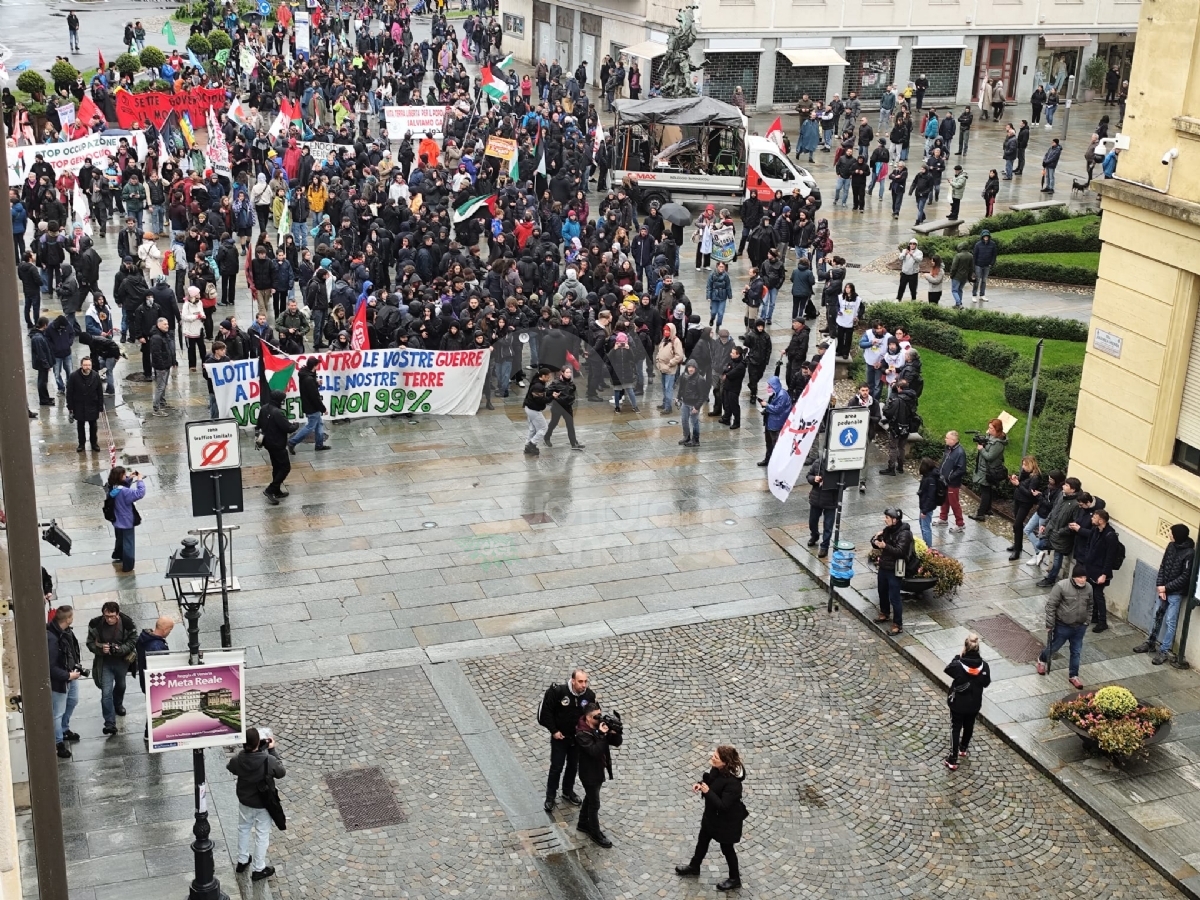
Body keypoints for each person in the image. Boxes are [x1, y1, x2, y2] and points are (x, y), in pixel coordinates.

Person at [674, 745, 746, 892]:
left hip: (727, 822)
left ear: (725, 762)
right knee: (702, 841)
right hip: (711, 817)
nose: (712, 758)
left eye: (716, 757)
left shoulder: (734, 784)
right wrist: (700, 785)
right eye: (714, 755)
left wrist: (707, 792)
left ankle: (735, 878)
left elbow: (724, 805)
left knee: (727, 849)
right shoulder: (716, 768)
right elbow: (710, 782)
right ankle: (695, 866)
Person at [227, 726, 285, 883]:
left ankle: (243, 860)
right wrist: (272, 750)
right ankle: (258, 869)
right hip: (263, 804)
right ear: (259, 743)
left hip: (245, 801)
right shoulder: (268, 760)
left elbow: (230, 767)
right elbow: (281, 772)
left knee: (243, 829)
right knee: (261, 834)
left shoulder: (238, 760)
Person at [1134, 524, 1195, 665]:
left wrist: (1165, 588)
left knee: (1170, 622)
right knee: (1156, 616)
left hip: (1175, 593)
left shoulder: (1189, 553)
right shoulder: (1171, 546)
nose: (1169, 535)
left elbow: (1185, 577)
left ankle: (1164, 650)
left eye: (1171, 533)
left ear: (1178, 535)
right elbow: (1163, 566)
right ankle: (1150, 642)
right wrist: (1160, 586)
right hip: (1163, 589)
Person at [538, 669, 596, 813]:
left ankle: (567, 791)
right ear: (573, 680)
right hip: (560, 738)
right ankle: (550, 796)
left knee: (572, 766)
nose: (584, 685)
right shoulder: (558, 692)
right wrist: (554, 731)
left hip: (576, 739)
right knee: (556, 766)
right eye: (581, 681)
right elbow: (545, 712)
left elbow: (592, 716)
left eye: (586, 681)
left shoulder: (589, 696)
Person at [1036, 565, 1093, 689]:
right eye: (1080, 577)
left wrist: (1087, 621)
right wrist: (1050, 624)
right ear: (1074, 577)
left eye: (1084, 577)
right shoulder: (1061, 586)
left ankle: (1074, 675)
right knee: (1054, 647)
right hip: (1063, 626)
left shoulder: (1089, 588)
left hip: (1080, 627)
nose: (1083, 580)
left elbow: (1090, 605)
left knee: (1076, 652)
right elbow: (1051, 606)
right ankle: (1042, 659)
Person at [86, 601, 137, 735]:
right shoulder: (96, 624)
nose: (109, 619)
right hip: (105, 662)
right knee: (106, 693)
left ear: (118, 614)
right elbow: (90, 643)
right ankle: (109, 723)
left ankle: (118, 704)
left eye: (112, 616)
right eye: (106, 616)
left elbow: (132, 641)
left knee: (121, 685)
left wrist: (120, 649)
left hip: (121, 661)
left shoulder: (127, 624)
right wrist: (100, 648)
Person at [575, 704, 622, 848]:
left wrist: (614, 732)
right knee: (594, 804)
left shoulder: (598, 727)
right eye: (596, 716)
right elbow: (594, 751)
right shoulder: (582, 733)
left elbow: (616, 743)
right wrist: (602, 735)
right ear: (589, 718)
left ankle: (583, 823)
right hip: (589, 773)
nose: (600, 718)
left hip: (599, 770)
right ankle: (595, 832)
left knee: (590, 797)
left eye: (600, 714)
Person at [943, 632, 991, 771]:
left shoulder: (958, 665)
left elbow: (948, 669)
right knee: (969, 725)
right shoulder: (984, 666)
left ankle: (952, 759)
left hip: (958, 704)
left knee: (955, 727)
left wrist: (959, 656)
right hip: (974, 703)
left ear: (965, 648)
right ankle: (963, 748)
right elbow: (986, 683)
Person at [1070, 507, 1121, 633]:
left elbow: (1109, 557)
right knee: (1092, 593)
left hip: (1101, 570)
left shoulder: (1110, 536)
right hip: (1091, 567)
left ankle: (1102, 622)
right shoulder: (1095, 530)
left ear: (1101, 520)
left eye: (1095, 517)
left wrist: (1104, 574)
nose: (1092, 518)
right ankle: (1094, 616)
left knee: (1098, 595)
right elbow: (1089, 545)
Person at [47, 605, 82, 759]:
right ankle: (58, 742)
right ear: (68, 619)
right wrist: (68, 676)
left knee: (73, 701)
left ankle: (64, 729)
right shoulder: (52, 639)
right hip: (61, 680)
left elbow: (72, 650)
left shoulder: (66, 631)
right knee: (57, 713)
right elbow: (51, 667)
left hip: (70, 673)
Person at [872, 507, 913, 635]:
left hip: (895, 568)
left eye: (887, 518)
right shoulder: (887, 530)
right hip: (884, 566)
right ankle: (884, 613)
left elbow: (900, 552)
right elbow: (876, 543)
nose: (885, 520)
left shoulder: (904, 534)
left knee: (894, 597)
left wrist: (885, 546)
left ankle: (897, 624)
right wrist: (875, 539)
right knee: (882, 591)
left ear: (894, 520)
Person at [257, 391, 298, 504]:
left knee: (276, 466)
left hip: (268, 443)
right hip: (277, 444)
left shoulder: (264, 408)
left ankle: (277, 490)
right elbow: (288, 428)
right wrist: (296, 425)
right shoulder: (278, 413)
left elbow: (259, 424)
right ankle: (270, 489)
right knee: (285, 467)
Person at [106, 466, 145, 573]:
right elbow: (139, 493)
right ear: (119, 477)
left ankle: (118, 554)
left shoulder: (111, 487)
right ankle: (128, 565)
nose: (126, 476)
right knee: (129, 543)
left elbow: (121, 487)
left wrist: (129, 478)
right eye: (124, 475)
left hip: (116, 519)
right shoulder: (125, 492)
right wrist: (139, 480)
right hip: (126, 521)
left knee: (120, 538)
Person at [287, 357, 330, 454]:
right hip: (312, 407)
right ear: (314, 366)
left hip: (309, 405)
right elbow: (314, 397)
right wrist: (323, 409)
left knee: (319, 424)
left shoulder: (305, 374)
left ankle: (319, 445)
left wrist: (316, 383)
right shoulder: (309, 379)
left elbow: (310, 389)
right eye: (317, 365)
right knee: (310, 426)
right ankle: (292, 442)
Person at [969, 419, 1007, 519]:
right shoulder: (991, 437)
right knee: (988, 489)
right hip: (984, 468)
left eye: (991, 428)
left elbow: (990, 456)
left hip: (988, 470)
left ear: (996, 430)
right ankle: (987, 509)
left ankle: (980, 514)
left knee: (985, 490)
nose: (988, 430)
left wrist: (981, 449)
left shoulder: (998, 443)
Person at [878, 379, 916, 476]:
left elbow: (887, 412)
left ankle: (891, 469)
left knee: (893, 447)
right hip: (907, 426)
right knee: (902, 447)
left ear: (899, 388)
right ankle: (900, 467)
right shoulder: (912, 398)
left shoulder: (898, 400)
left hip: (896, 426)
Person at [66, 356, 103, 452]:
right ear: (81, 365)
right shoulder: (74, 376)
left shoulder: (95, 375)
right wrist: (70, 407)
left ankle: (94, 443)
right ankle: (81, 444)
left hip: (92, 404)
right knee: (80, 426)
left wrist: (100, 407)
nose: (87, 367)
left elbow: (100, 392)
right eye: (85, 365)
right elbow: (69, 392)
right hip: (79, 405)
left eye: (89, 365)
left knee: (93, 426)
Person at [1007, 456, 1042, 560]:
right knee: (1017, 524)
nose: (1023, 467)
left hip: (1025, 502)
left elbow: (1030, 493)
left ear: (1031, 465)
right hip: (1018, 499)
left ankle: (1017, 551)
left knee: (1017, 524)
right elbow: (1022, 482)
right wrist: (1016, 478)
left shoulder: (1035, 477)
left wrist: (1018, 485)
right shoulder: (1025, 472)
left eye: (1025, 465)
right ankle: (1017, 545)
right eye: (1023, 464)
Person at [806, 452, 838, 558]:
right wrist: (813, 479)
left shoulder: (837, 466)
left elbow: (844, 483)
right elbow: (809, 475)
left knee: (828, 526)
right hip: (816, 499)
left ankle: (824, 546)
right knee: (812, 522)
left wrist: (831, 483)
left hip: (830, 501)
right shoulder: (817, 463)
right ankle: (814, 535)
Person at [545, 366, 584, 449]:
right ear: (562, 373)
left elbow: (573, 393)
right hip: (557, 407)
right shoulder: (556, 383)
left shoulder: (571, 383)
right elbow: (548, 392)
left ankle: (573, 443)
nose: (569, 374)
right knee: (553, 423)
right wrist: (554, 395)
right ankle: (547, 437)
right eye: (567, 372)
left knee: (570, 425)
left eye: (570, 372)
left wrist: (572, 401)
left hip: (567, 407)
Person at [756, 376, 790, 467]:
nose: (768, 388)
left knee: (776, 444)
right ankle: (768, 459)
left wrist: (766, 405)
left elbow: (777, 409)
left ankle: (777, 463)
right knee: (769, 443)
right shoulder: (775, 394)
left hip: (777, 424)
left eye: (770, 386)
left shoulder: (782, 395)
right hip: (770, 422)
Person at [148, 317, 177, 417]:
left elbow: (169, 349)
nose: (167, 326)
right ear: (159, 325)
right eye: (165, 324)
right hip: (162, 366)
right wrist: (161, 366)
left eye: (167, 324)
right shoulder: (156, 337)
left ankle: (162, 402)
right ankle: (156, 408)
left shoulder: (164, 335)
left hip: (166, 364)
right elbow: (156, 354)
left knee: (163, 386)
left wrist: (172, 361)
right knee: (160, 387)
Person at [675, 358, 707, 447]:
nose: (691, 369)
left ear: (696, 368)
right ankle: (686, 437)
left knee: (694, 422)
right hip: (685, 403)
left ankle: (696, 440)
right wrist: (678, 398)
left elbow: (703, 395)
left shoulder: (700, 379)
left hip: (694, 404)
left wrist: (697, 407)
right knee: (684, 420)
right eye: (689, 367)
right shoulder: (683, 376)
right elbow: (681, 389)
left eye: (693, 367)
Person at [917, 458, 940, 547]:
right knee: (922, 524)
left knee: (925, 527)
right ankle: (925, 544)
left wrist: (924, 511)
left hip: (926, 507)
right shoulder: (928, 476)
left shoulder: (930, 479)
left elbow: (930, 496)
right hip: (924, 506)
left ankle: (928, 547)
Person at [971, 230, 997, 303]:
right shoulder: (978, 245)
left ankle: (982, 294)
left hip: (987, 265)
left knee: (984, 280)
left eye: (987, 236)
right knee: (977, 280)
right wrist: (973, 266)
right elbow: (974, 256)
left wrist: (992, 263)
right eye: (984, 236)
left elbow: (994, 255)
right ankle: (974, 295)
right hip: (978, 265)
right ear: (982, 237)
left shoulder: (993, 244)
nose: (986, 237)